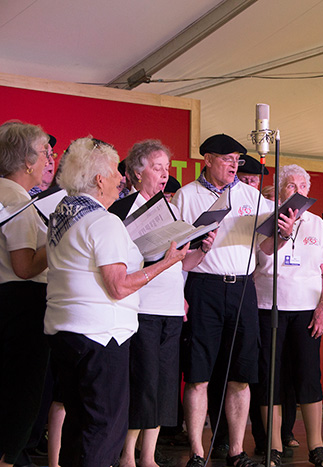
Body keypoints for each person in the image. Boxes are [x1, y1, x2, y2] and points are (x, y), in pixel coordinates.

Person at [44, 136, 188, 467]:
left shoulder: (62, 216)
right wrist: (166, 262)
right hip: (100, 336)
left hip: (66, 333)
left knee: (78, 427)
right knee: (103, 427)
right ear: (98, 180)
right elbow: (119, 287)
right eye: (114, 172)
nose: (120, 178)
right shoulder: (104, 221)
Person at [171, 134, 295, 467]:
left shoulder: (251, 195)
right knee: (198, 374)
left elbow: (265, 248)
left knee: (241, 374)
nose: (233, 165)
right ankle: (197, 451)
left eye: (237, 159)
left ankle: (237, 450)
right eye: (226, 158)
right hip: (202, 288)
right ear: (207, 159)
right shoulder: (186, 196)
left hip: (241, 288)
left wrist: (282, 234)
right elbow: (175, 253)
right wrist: (179, 293)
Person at [112, 140, 215, 467]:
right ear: (137, 171)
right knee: (141, 382)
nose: (164, 174)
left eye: (166, 168)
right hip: (142, 308)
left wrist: (201, 251)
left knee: (164, 385)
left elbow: (180, 263)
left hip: (171, 309)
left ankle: (148, 455)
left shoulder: (170, 209)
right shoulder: (123, 211)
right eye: (157, 168)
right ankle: (127, 454)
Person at [254, 164, 323, 467]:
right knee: (269, 378)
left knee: (309, 377)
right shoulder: (265, 217)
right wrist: (282, 234)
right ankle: (273, 446)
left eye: (303, 186)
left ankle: (317, 445)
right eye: (291, 185)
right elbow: (262, 253)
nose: (298, 191)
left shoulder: (316, 223)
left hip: (307, 311)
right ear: (279, 190)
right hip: (268, 307)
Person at [0, 121, 50, 467]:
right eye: (46, 152)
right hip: (21, 304)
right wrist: (62, 233)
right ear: (28, 161)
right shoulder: (16, 198)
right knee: (22, 392)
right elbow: (25, 266)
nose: (50, 159)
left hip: (9, 302)